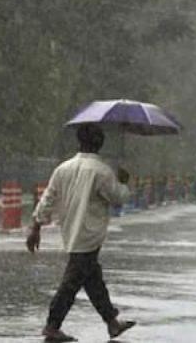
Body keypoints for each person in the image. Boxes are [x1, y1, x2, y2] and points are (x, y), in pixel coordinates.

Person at [27, 124, 137, 342]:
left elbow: (48, 198)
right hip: (89, 234)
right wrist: (123, 182)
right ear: (101, 144)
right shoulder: (102, 172)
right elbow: (118, 198)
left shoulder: (63, 169)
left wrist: (36, 227)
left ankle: (112, 322)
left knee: (93, 279)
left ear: (79, 141)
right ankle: (52, 326)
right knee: (72, 282)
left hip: (70, 230)